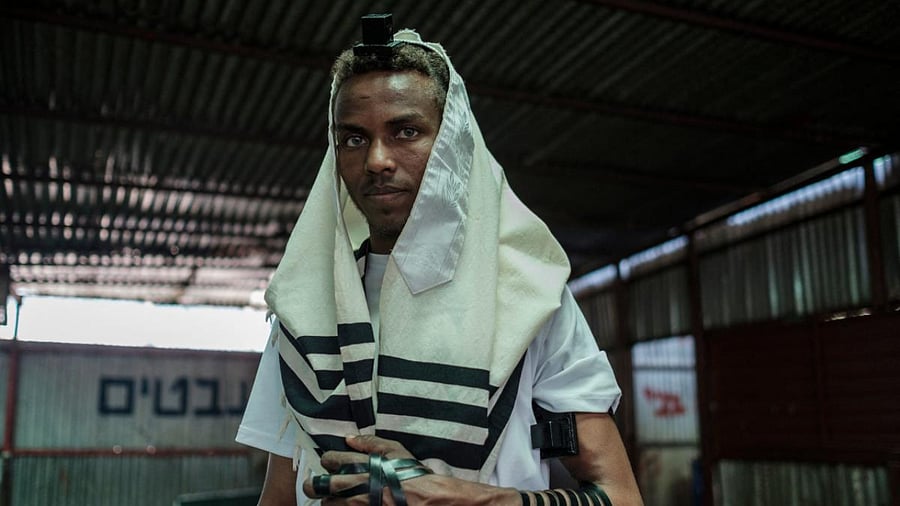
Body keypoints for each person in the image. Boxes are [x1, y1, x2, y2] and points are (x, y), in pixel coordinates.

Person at [236, 17, 643, 506]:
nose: (377, 160)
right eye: (354, 138)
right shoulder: (304, 311)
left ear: (452, 145)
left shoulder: (527, 301)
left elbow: (620, 496)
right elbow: (280, 495)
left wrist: (475, 501)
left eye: (405, 131)